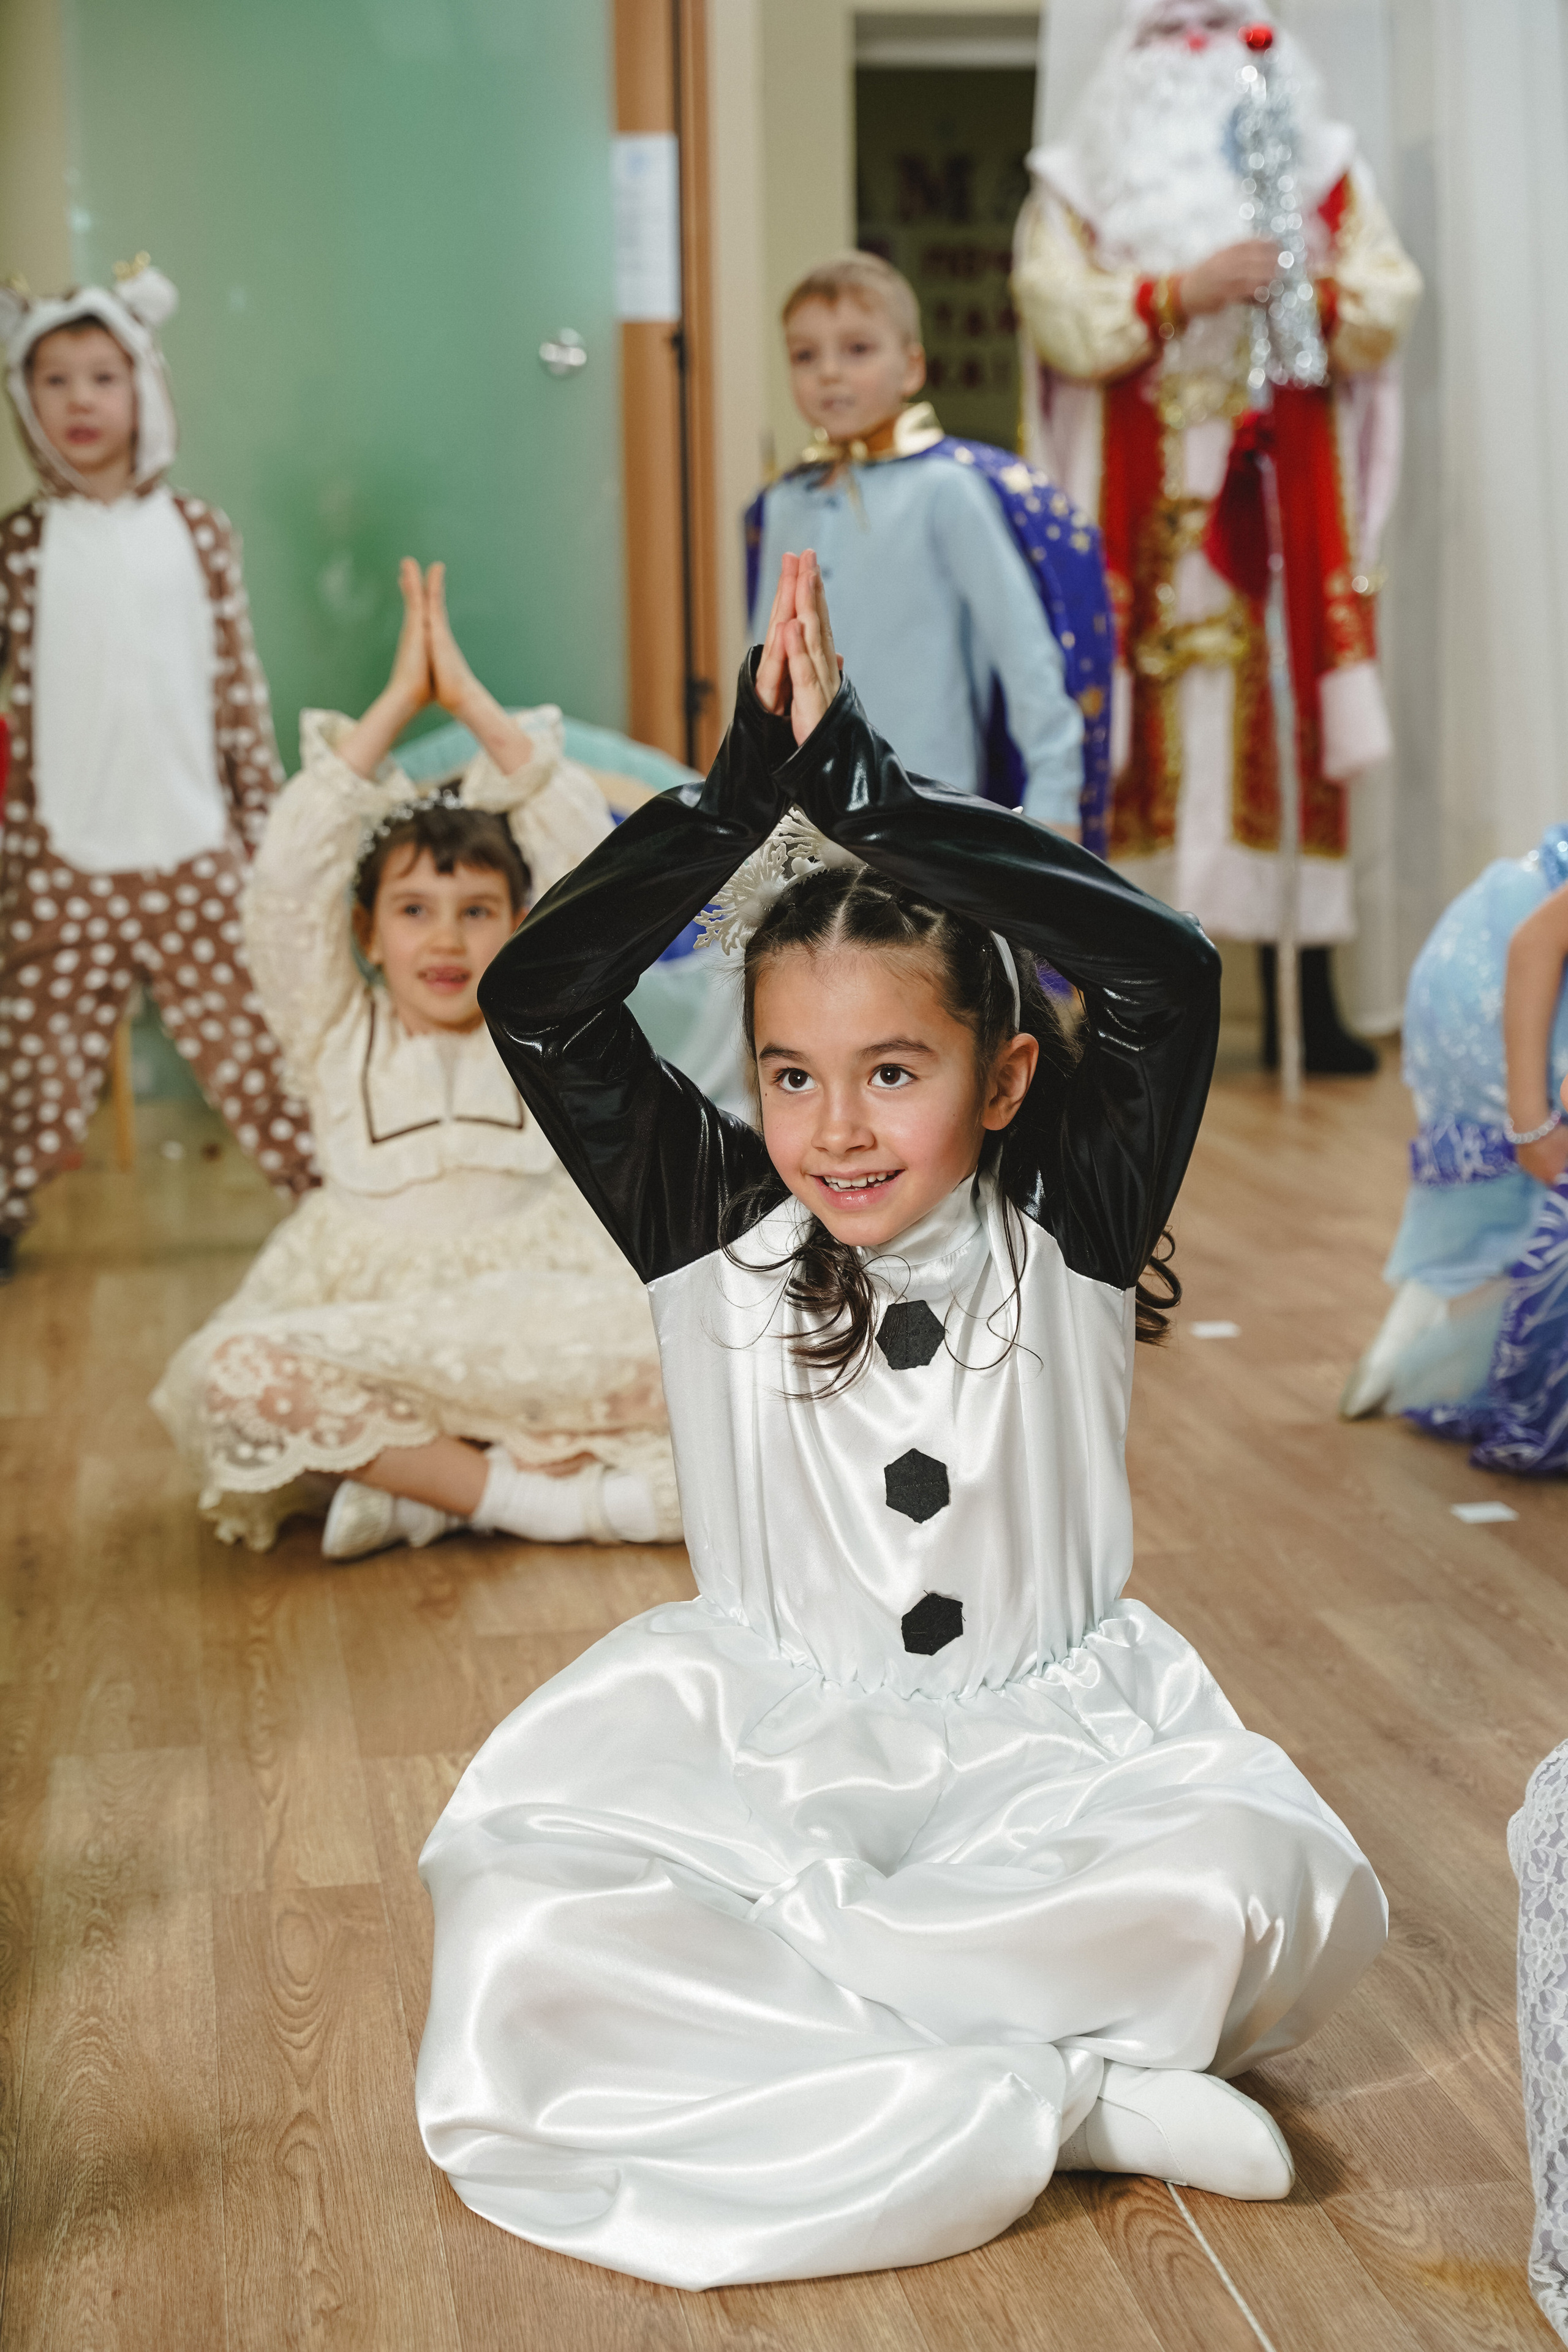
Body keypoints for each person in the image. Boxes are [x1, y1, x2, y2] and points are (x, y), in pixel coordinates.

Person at [413, 553, 1385, 2288]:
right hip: (776, 1756)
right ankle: (1081, 2089)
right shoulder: (709, 1220)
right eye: (791, 1075)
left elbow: (1161, 965)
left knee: (1235, 1872)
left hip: (1058, 1755)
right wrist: (732, 805)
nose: (837, 1129)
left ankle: (975, 2039)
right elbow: (539, 997)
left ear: (1001, 1078)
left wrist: (879, 799)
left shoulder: (1073, 1210)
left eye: (894, 1072)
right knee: (540, 1936)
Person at [151, 561, 679, 1559]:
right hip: (369, 1314)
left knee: (721, 1357)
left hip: (537, 1303)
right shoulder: (332, 1031)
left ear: (522, 926)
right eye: (414, 913)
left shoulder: (549, 1028)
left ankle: (423, 1487)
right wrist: (400, 699)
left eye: (477, 913)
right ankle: (531, 1494)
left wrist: (470, 700)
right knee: (232, 1380)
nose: (445, 942)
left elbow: (581, 857)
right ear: (367, 930)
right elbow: (285, 881)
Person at [1012, 0, 1422, 1070]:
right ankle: (1129, 997)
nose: (1191, 53)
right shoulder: (1076, 179)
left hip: (1275, 476)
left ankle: (1309, 995)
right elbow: (1055, 309)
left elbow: (1387, 296)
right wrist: (1175, 293)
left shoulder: (1325, 162)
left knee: (1284, 707)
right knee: (1134, 724)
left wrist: (1302, 295)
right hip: (1130, 486)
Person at [0, 260, 315, 1278]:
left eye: (104, 376)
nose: (81, 400)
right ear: (24, 400)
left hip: (193, 846)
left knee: (258, 1046)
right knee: (34, 1055)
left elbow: (237, 685)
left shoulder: (198, 532)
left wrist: (265, 830)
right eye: (55, 380)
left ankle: (328, 1205)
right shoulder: (22, 548)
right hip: (63, 854)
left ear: (146, 390)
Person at [747, 251, 1112, 850]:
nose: (829, 373)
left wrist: (1054, 801)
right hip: (803, 810)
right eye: (805, 355)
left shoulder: (948, 492)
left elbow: (1025, 659)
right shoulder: (787, 501)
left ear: (911, 367)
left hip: (929, 808)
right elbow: (763, 662)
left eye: (858, 349)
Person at [1341, 830, 1568, 1470]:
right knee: (1518, 1191)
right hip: (1501, 979)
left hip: (1514, 963)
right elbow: (1536, 942)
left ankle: (1417, 1340)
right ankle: (1423, 1343)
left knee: (1515, 1208)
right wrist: (1530, 1124)